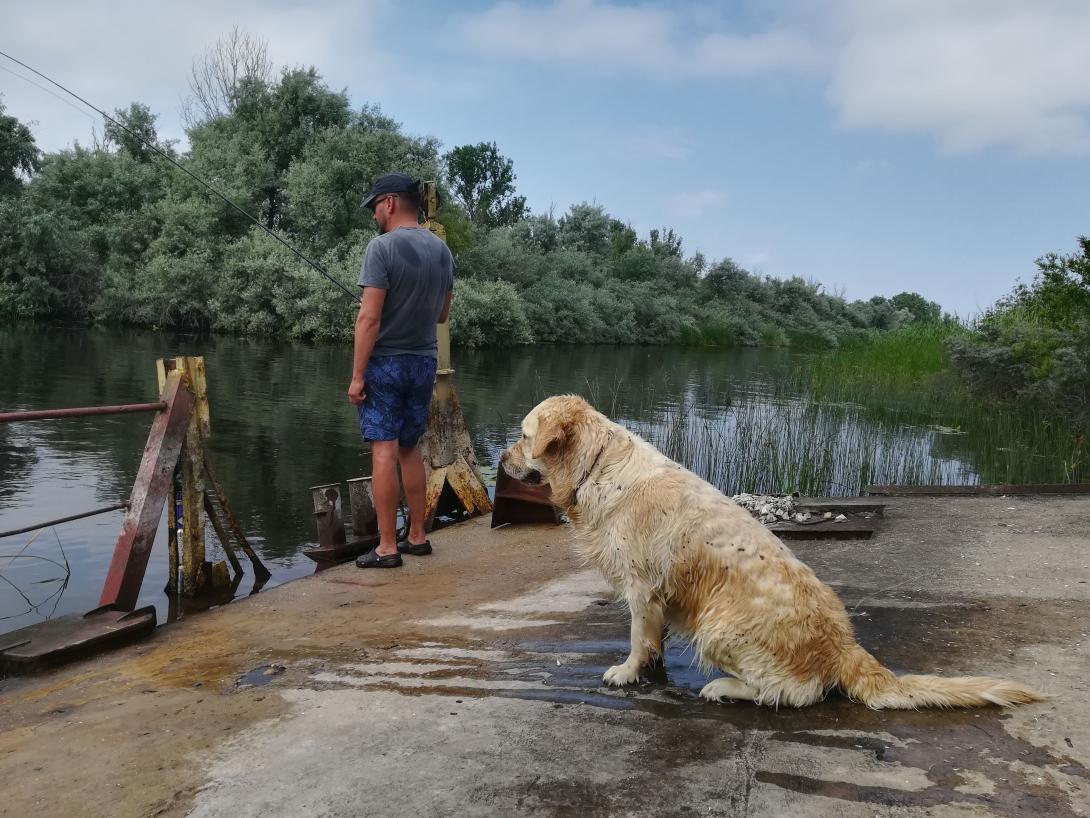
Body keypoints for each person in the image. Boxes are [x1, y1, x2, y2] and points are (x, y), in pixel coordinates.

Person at [348, 173, 453, 568]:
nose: (374, 214)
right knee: (410, 448)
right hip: (424, 362)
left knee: (383, 450)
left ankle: (387, 548)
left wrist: (358, 377)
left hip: (386, 365)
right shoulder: (442, 252)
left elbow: (369, 319)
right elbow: (441, 314)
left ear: (390, 202)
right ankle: (418, 537)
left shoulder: (382, 248)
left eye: (375, 206)